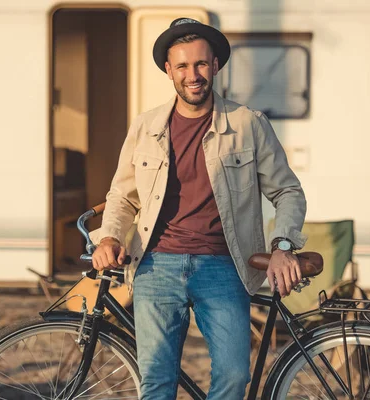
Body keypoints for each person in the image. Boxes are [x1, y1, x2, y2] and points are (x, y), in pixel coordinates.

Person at [90, 17, 307, 400]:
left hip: (223, 265)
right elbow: (122, 196)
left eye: (202, 64)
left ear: (216, 66)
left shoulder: (247, 124)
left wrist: (283, 246)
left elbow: (288, 191)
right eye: (184, 66)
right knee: (156, 382)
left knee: (234, 377)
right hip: (156, 264)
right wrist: (109, 236)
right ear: (169, 70)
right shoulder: (145, 127)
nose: (194, 75)